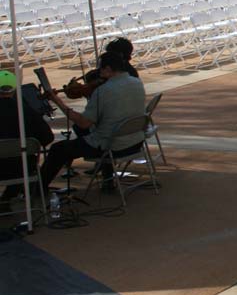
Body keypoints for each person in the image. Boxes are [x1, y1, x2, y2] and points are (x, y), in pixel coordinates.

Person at [40, 52, 146, 194]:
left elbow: (84, 122)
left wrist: (58, 101)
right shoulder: (137, 82)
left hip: (113, 146)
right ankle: (107, 181)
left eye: (100, 69)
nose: (98, 72)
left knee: (58, 149)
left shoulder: (103, 91)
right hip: (135, 141)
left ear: (108, 69)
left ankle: (38, 189)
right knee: (83, 130)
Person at [0, 70, 55, 212]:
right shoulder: (26, 111)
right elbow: (48, 138)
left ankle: (6, 199)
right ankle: (8, 197)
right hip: (25, 168)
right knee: (19, 156)